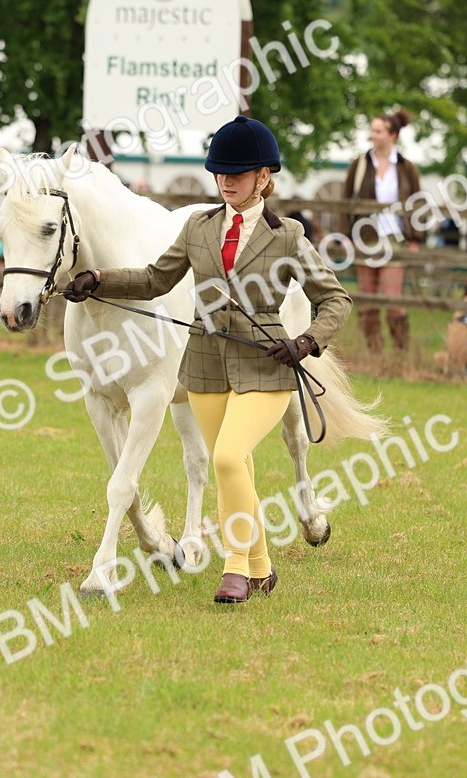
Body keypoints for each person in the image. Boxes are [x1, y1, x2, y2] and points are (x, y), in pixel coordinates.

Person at [62, 116, 353, 604]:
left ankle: (236, 568)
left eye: (237, 173)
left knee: (225, 458)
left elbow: (336, 300)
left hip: (266, 366)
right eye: (220, 172)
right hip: (204, 369)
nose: (226, 181)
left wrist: (306, 343)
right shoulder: (198, 227)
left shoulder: (289, 236)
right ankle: (261, 566)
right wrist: (100, 279)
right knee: (232, 467)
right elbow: (156, 279)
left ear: (264, 176)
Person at [339, 108, 421, 355]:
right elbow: (345, 200)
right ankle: (375, 355)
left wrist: (415, 237)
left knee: (393, 301)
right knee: (368, 302)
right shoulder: (361, 164)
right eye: (372, 130)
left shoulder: (405, 167)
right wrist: (345, 235)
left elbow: (417, 202)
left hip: (395, 239)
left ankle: (400, 354)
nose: (372, 135)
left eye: (378, 131)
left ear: (392, 135)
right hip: (365, 238)